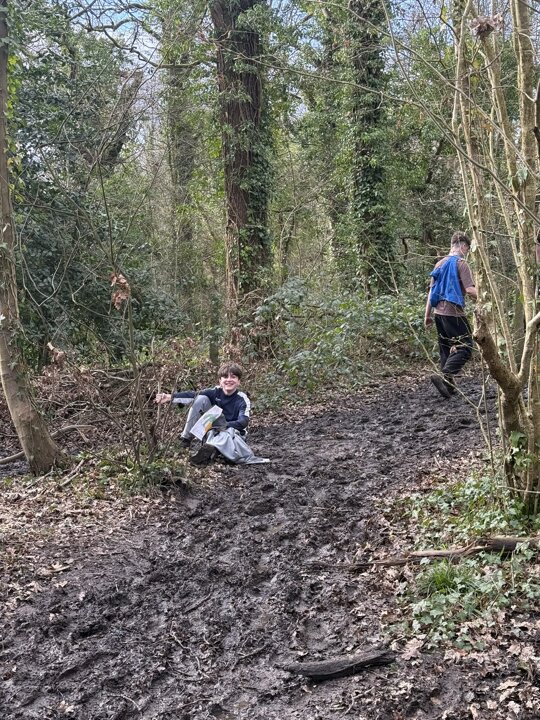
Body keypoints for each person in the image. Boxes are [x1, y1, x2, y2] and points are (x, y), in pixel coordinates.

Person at [155, 361, 268, 465]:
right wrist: (170, 397)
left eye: (233, 377)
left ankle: (210, 452)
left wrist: (224, 426)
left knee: (224, 436)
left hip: (233, 433)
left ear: (239, 381)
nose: (229, 380)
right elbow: (193, 395)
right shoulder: (215, 392)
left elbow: (243, 422)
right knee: (200, 399)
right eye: (225, 377)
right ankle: (185, 440)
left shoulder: (242, 399)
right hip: (212, 430)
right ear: (220, 381)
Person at [424, 231, 478, 398]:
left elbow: (431, 291)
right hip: (453, 312)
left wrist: (427, 315)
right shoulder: (461, 264)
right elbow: (470, 290)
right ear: (463, 246)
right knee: (466, 347)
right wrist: (487, 296)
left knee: (445, 349)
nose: (467, 252)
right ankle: (445, 375)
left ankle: (448, 386)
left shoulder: (439, 264)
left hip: (438, 313)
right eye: (467, 249)